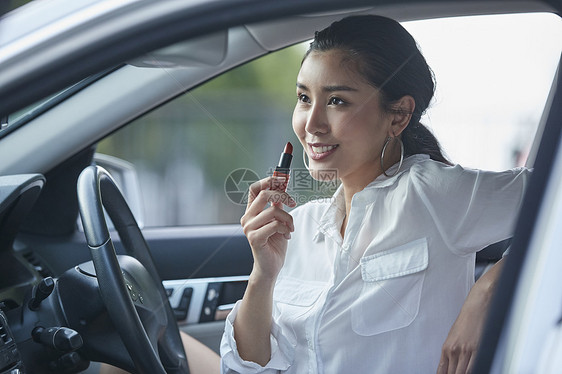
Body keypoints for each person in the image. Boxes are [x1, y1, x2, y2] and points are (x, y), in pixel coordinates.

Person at [220, 15, 531, 374]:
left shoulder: (433, 194)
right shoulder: (297, 228)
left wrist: (492, 288)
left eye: (337, 101)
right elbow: (245, 369)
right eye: (304, 98)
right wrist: (263, 276)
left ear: (398, 116)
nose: (312, 123)